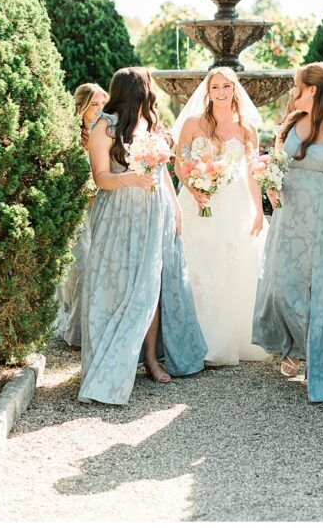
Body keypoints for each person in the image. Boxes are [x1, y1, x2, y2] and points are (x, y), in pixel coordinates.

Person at [78, 67, 206, 406]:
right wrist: (128, 179)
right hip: (118, 215)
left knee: (151, 285)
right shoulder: (105, 125)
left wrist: (175, 208)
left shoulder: (152, 124)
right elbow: (100, 177)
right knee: (116, 285)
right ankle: (109, 362)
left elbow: (161, 173)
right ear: (136, 91)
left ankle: (150, 358)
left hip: (155, 212)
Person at [252, 62, 323, 402]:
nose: (293, 90)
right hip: (290, 219)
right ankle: (298, 346)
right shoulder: (291, 122)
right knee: (281, 287)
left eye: (297, 85)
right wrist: (270, 185)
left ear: (313, 90)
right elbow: (276, 164)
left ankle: (322, 361)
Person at [172, 67, 269, 365]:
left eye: (227, 86)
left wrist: (258, 210)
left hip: (234, 204)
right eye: (216, 87)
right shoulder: (192, 124)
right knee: (200, 266)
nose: (221, 92)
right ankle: (202, 342)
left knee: (232, 265)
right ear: (208, 91)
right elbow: (179, 165)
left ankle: (234, 340)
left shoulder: (246, 128)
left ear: (234, 89)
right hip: (198, 202)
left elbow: (252, 172)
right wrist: (193, 188)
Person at [58, 82, 107, 348]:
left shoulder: (108, 132)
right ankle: (76, 330)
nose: (100, 109)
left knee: (100, 268)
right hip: (77, 209)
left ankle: (92, 328)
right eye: (94, 104)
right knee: (81, 266)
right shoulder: (70, 137)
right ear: (82, 107)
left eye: (103, 104)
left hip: (104, 207)